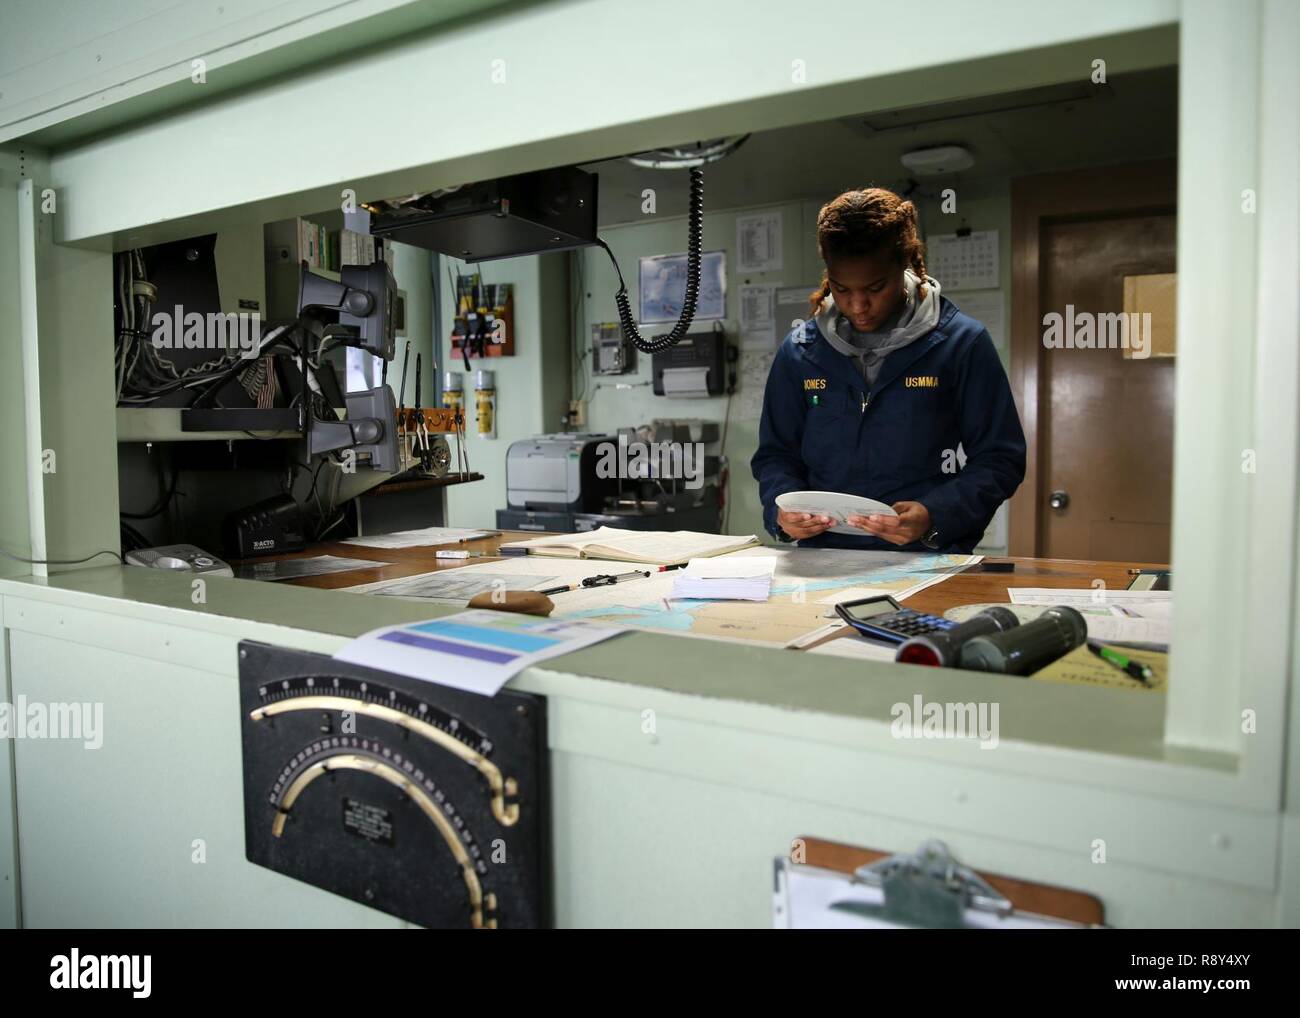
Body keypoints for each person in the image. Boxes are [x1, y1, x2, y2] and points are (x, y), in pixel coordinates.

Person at [750, 187, 1026, 552]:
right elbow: (775, 456)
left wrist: (935, 514)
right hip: (822, 561)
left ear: (906, 263)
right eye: (841, 288)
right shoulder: (801, 351)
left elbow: (1000, 458)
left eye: (875, 288)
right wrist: (782, 511)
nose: (858, 305)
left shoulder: (961, 343)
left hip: (926, 559)